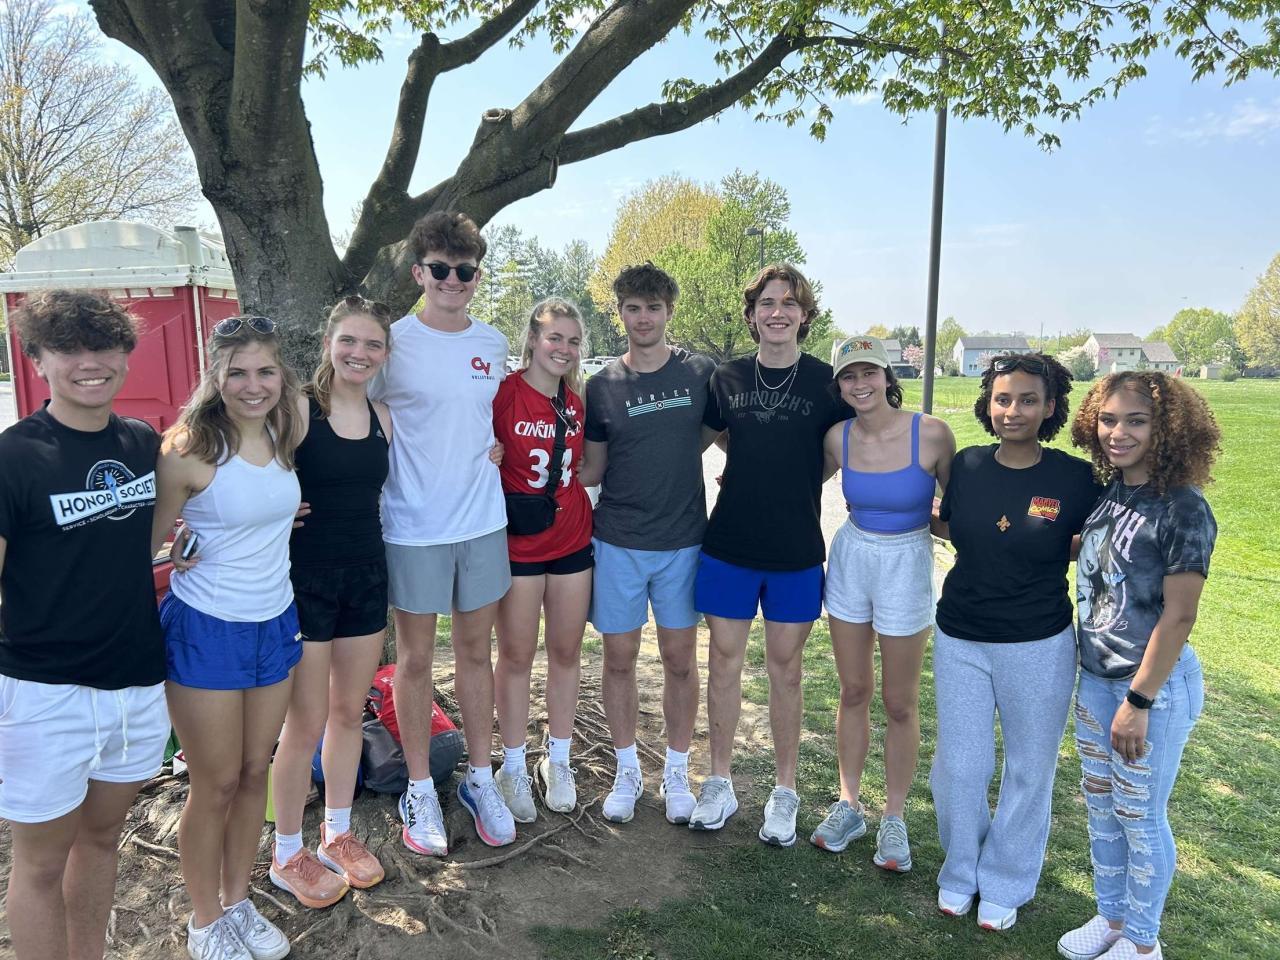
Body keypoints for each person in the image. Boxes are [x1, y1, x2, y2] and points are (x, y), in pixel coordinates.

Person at [0, 291, 170, 960]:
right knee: (41, 865)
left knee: (101, 842)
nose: (89, 362)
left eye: (103, 346)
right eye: (67, 349)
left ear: (125, 355)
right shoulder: (15, 456)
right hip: (46, 694)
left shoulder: (141, 442)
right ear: (37, 360)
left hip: (136, 685)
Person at [929, 353, 1101, 932]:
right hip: (961, 636)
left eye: (1028, 400)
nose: (1013, 411)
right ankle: (961, 870)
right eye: (1003, 399)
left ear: (1050, 407)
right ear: (988, 404)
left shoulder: (1075, 478)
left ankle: (1005, 879)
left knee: (1029, 770)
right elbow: (952, 525)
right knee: (960, 766)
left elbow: (1095, 541)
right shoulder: (968, 464)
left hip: (1039, 641)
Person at [152, 315, 304, 960]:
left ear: (281, 376)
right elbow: (149, 542)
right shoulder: (187, 447)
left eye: (265, 371)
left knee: (251, 772)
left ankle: (238, 902)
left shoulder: (285, 427)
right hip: (206, 629)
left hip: (276, 621)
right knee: (213, 783)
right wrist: (174, 549)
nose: (253, 385)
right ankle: (204, 919)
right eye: (237, 373)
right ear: (214, 376)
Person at [1057, 372, 1219, 960]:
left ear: (1167, 429)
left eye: (1136, 421)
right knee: (1102, 806)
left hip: (1149, 688)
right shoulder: (1114, 491)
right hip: (1096, 678)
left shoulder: (1183, 507)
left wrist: (1139, 700)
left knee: (1140, 815)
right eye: (1108, 419)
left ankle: (1144, 943)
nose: (1118, 433)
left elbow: (1179, 615)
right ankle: (1112, 918)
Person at [368, 210, 515, 852]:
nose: (453, 280)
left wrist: (498, 449)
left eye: (465, 271)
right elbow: (360, 409)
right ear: (418, 273)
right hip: (413, 524)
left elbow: (490, 417)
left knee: (477, 654)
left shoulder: (494, 343)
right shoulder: (391, 342)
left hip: (482, 520)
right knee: (416, 660)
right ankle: (421, 787)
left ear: (477, 276)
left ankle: (480, 778)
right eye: (440, 269)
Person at [691, 264, 851, 845]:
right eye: (766, 302)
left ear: (804, 315)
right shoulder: (727, 377)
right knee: (723, 663)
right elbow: (708, 438)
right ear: (752, 313)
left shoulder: (826, 383)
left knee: (786, 669)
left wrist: (796, 481)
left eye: (788, 302)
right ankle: (719, 781)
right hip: (729, 544)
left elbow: (836, 454)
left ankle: (785, 791)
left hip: (795, 550)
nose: (777, 311)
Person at [577, 263, 717, 825]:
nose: (643, 318)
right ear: (620, 313)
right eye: (632, 308)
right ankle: (627, 769)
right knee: (619, 659)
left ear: (668, 311)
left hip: (683, 541)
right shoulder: (602, 385)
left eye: (653, 308)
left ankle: (677, 773)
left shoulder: (699, 373)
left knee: (680, 660)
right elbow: (592, 468)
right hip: (619, 541)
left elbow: (712, 438)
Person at [265, 296, 392, 905]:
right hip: (305, 580)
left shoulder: (382, 416)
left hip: (367, 575)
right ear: (328, 344)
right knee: (305, 721)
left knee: (348, 713)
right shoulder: (296, 409)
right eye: (349, 341)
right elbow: (246, 466)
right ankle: (286, 851)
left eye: (372, 344)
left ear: (384, 354)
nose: (359, 353)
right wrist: (276, 507)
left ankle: (336, 834)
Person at [810, 335, 954, 869]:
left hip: (906, 561)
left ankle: (894, 817)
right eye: (849, 376)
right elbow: (793, 483)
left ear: (888, 378)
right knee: (853, 690)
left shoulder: (931, 433)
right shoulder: (837, 438)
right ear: (839, 386)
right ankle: (849, 803)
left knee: (899, 701)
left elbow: (958, 511)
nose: (860, 384)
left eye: (869, 372)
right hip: (852, 558)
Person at [491, 298, 594, 822]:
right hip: (518, 545)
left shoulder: (575, 401)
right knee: (515, 654)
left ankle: (559, 759)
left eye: (573, 341)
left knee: (566, 651)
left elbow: (585, 465)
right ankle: (512, 765)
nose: (564, 348)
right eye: (555, 337)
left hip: (571, 537)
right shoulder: (504, 393)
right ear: (532, 339)